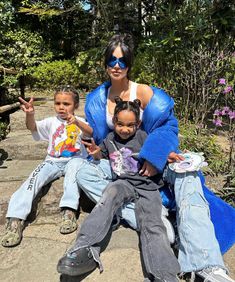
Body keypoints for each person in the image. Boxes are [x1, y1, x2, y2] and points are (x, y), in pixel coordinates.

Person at [57, 34, 235, 282]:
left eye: (122, 60)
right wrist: (94, 147)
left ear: (129, 64)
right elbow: (101, 138)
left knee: (188, 174)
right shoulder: (98, 98)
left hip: (153, 162)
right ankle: (94, 241)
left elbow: (167, 127)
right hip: (119, 166)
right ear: (105, 62)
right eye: (111, 59)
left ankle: (204, 264)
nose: (116, 65)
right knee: (80, 168)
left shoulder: (145, 92)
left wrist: (154, 155)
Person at [57, 97, 180, 281]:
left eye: (130, 125)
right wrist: (96, 152)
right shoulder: (109, 138)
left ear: (138, 124)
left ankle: (164, 273)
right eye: (120, 124)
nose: (124, 129)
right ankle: (84, 247)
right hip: (123, 183)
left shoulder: (144, 137)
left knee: (152, 223)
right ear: (114, 121)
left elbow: (158, 151)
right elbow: (103, 155)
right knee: (107, 199)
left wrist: (166, 155)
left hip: (148, 187)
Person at [1, 85, 93, 247]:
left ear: (76, 106)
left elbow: (90, 132)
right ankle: (15, 219)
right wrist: (30, 114)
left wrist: (76, 122)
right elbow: (33, 128)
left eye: (66, 104)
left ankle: (69, 211)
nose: (61, 107)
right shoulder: (51, 122)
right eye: (58, 103)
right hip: (52, 160)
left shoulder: (81, 122)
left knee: (72, 177)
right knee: (33, 179)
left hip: (76, 160)